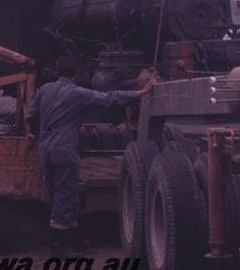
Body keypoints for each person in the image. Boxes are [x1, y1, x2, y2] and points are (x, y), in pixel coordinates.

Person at [26, 56, 155, 256]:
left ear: (57, 71)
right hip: (64, 150)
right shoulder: (77, 93)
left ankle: (74, 241)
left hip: (45, 149)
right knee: (65, 196)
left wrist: (41, 134)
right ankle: (58, 248)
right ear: (76, 73)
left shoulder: (44, 91)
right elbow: (109, 99)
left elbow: (31, 118)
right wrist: (140, 92)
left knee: (55, 194)